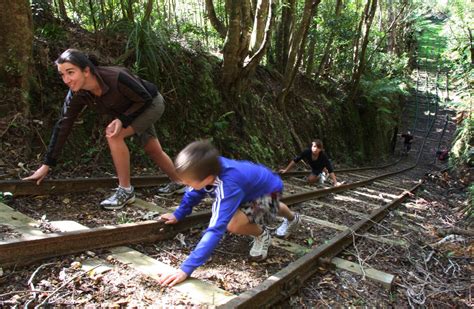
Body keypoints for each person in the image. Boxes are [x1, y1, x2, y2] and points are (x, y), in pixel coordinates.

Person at [23, 49, 181, 210]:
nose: (66, 80)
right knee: (152, 149)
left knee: (114, 135)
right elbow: (64, 124)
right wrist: (46, 164)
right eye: (62, 75)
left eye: (70, 72)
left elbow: (145, 98)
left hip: (150, 103)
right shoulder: (76, 95)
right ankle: (180, 182)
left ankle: (125, 191)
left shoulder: (116, 77)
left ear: (86, 70)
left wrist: (122, 120)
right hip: (130, 110)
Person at [158, 141, 301, 287]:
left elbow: (215, 229)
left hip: (269, 190)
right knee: (270, 205)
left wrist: (185, 269)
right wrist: (178, 214)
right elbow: (193, 192)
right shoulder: (206, 167)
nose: (186, 185)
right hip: (254, 186)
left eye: (188, 182)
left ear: (207, 179)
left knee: (233, 224)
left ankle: (263, 235)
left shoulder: (227, 186)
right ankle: (288, 215)